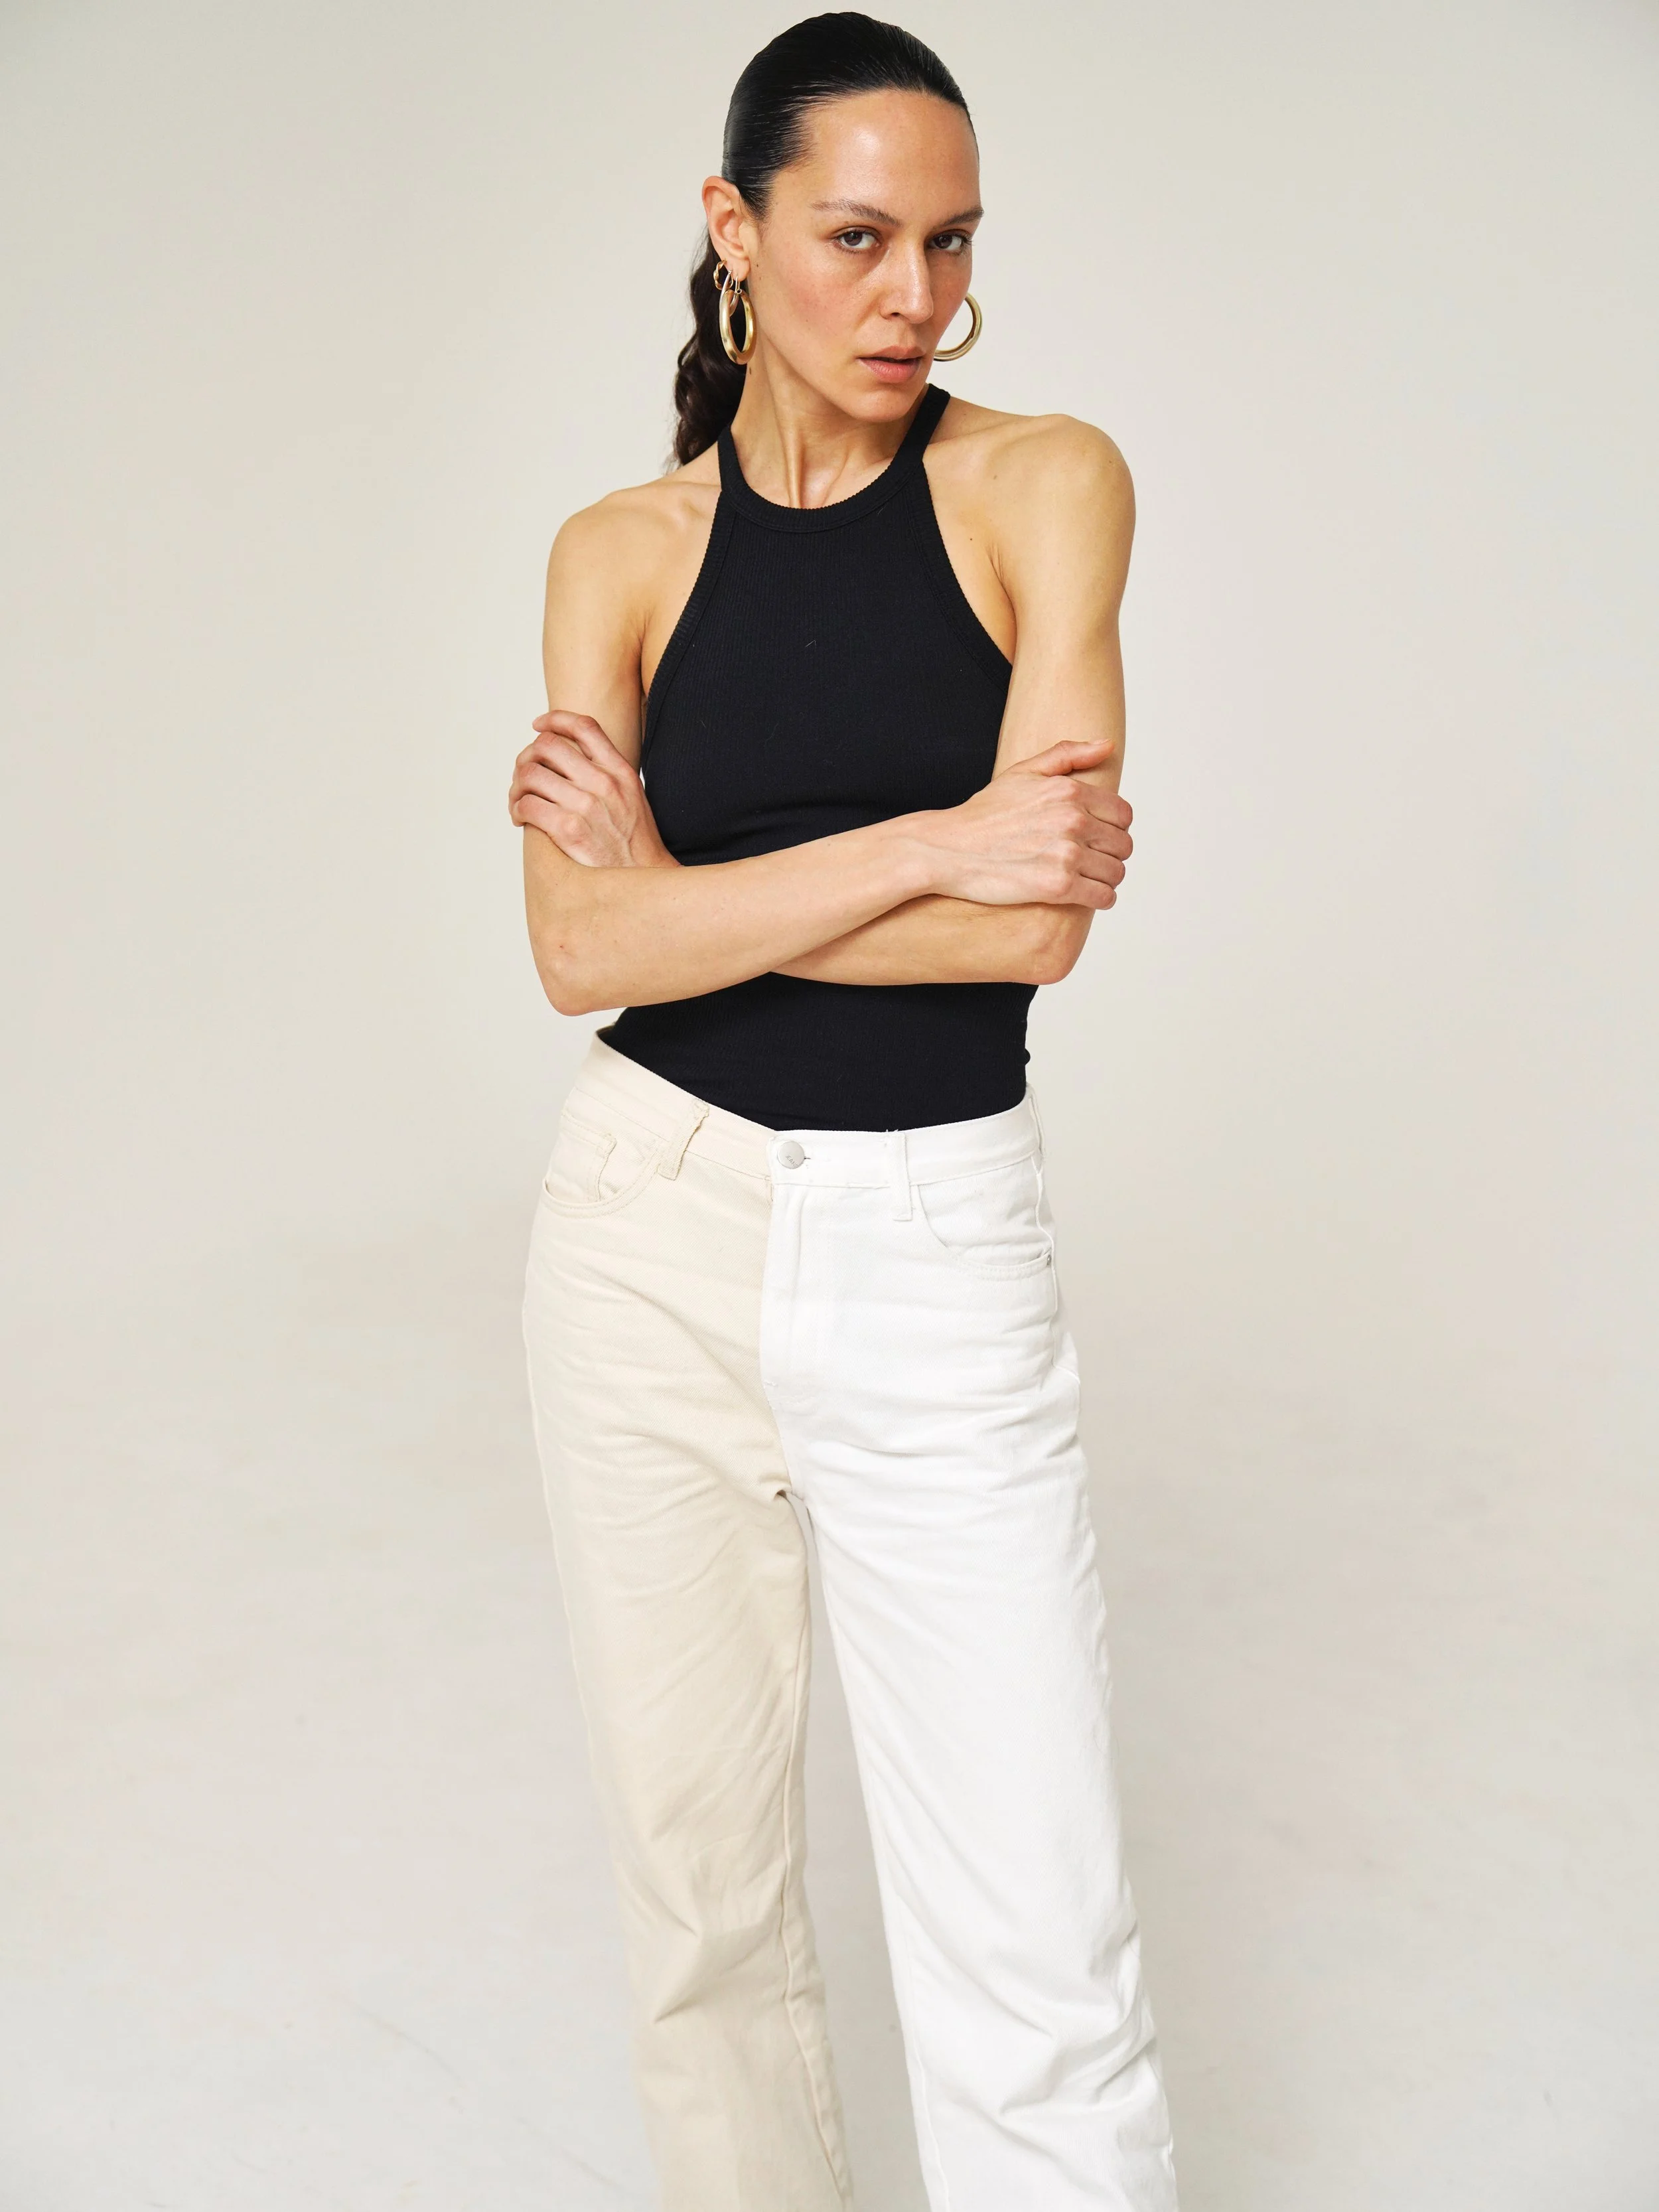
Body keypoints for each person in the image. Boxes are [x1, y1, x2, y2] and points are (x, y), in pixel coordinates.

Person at [508, 15, 1179, 2209]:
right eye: (857, 237)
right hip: (644, 1234)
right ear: (734, 227)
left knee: (1033, 1944)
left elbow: (1036, 926)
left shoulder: (1040, 484)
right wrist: (924, 843)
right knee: (700, 1916)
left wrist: (688, 896)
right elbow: (579, 953)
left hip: (932, 1248)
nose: (913, 296)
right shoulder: (615, 550)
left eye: (950, 243)